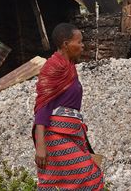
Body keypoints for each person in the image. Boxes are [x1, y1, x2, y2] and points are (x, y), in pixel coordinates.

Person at [33, 23, 104, 190]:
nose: (82, 45)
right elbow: (42, 106)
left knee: (62, 183)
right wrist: (41, 145)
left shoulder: (70, 67)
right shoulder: (53, 67)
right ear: (66, 44)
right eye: (79, 42)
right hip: (55, 135)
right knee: (91, 175)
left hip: (73, 132)